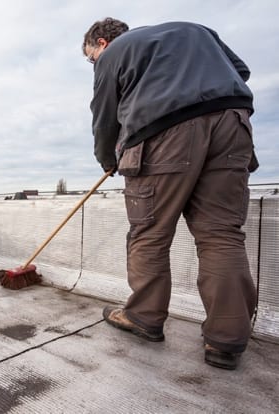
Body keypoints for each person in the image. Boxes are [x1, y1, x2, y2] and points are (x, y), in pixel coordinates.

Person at [83, 18, 259, 370]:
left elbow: (104, 117)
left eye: (90, 58)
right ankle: (226, 339)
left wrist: (107, 159)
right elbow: (241, 70)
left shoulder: (112, 53)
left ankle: (144, 317)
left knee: (150, 232)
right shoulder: (195, 30)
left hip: (161, 132)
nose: (93, 64)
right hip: (232, 123)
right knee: (221, 234)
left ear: (101, 43)